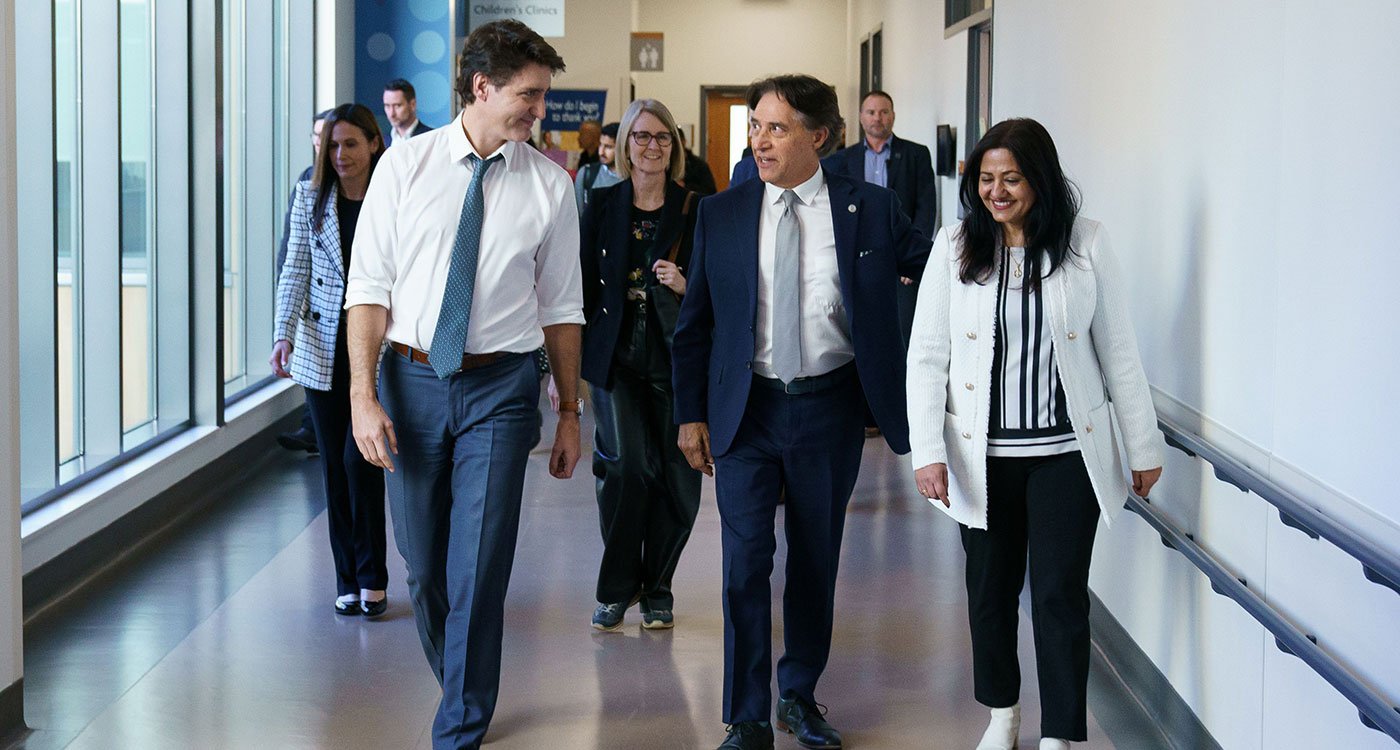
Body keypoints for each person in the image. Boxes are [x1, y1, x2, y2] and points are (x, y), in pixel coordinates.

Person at [671, 74, 930, 750]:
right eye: (755, 126)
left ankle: (798, 693)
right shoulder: (722, 213)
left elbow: (934, 268)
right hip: (746, 409)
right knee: (744, 561)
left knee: (815, 561)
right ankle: (747, 715)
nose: (759, 139)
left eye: (776, 127)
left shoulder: (869, 208)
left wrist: (1011, 244)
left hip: (828, 408)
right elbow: (694, 324)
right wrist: (688, 413)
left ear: (819, 135)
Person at [344, 20, 582, 750]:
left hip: (503, 388)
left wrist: (569, 410)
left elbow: (563, 308)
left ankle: (461, 722)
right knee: (422, 556)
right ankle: (462, 679)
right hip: (410, 380)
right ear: (482, 88)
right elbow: (369, 290)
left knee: (481, 559)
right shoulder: (403, 168)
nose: (539, 110)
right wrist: (362, 394)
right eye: (529, 95)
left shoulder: (548, 185)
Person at [905, 118, 1165, 750]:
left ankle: (1063, 735)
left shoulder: (1085, 245)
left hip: (1065, 456)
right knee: (989, 598)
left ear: (1039, 180)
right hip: (981, 459)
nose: (998, 192)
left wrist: (1143, 445)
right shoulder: (956, 244)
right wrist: (928, 452)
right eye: (987, 179)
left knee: (1059, 599)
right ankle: (1002, 714)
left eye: (1012, 178)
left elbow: (1119, 353)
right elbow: (927, 353)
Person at [580, 98, 702, 633]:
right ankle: (617, 586)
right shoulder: (602, 205)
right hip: (618, 358)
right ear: (625, 144)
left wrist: (686, 282)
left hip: (678, 356)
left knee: (677, 477)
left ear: (674, 146)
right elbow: (578, 287)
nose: (652, 147)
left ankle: (658, 587)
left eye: (662, 138)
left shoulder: (698, 207)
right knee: (629, 468)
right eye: (642, 137)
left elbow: (724, 285)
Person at [270, 103, 390, 618]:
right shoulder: (310, 197)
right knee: (335, 473)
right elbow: (294, 266)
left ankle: (374, 575)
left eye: (350, 145)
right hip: (322, 349)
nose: (340, 155)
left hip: (377, 348)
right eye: (332, 146)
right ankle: (348, 578)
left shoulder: (392, 196)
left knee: (358, 458)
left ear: (373, 144)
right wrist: (283, 335)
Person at [823, 90, 937, 349]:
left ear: (893, 116)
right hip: (856, 255)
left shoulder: (916, 154)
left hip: (900, 255)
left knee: (903, 330)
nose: (878, 118)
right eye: (871, 112)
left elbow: (926, 206)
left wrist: (914, 255)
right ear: (861, 117)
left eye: (884, 112)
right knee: (857, 330)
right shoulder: (841, 160)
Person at [277, 108, 334, 455]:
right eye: (318, 138)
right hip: (317, 309)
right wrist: (284, 323)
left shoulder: (381, 183)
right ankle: (310, 429)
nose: (322, 144)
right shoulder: (308, 184)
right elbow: (293, 252)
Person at [573, 121, 621, 213]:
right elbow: (579, 214)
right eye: (600, 145)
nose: (601, 152)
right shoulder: (586, 172)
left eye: (608, 147)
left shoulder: (634, 177)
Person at [382, 78, 432, 147]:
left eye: (397, 106)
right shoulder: (383, 141)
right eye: (387, 106)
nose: (391, 114)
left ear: (412, 105)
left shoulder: (430, 137)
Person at [677, 129, 718, 195]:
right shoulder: (665, 165)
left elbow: (711, 191)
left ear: (683, 142)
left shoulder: (699, 165)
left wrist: (685, 186)